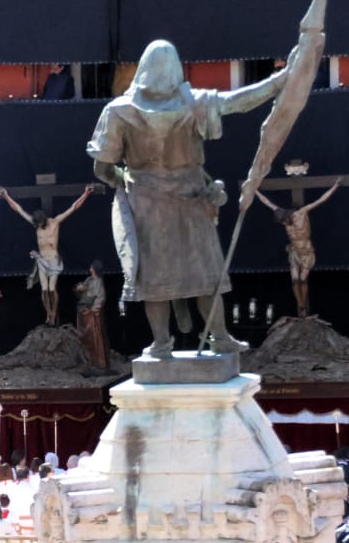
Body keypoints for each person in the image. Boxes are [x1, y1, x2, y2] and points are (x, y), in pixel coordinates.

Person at [87, 39, 288, 356]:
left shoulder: (119, 111)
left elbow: (102, 167)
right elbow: (239, 101)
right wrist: (279, 82)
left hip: (148, 200)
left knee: (157, 277)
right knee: (203, 272)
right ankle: (218, 336)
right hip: (191, 196)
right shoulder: (193, 104)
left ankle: (162, 343)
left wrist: (124, 178)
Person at [0, 185, 94, 327]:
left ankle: (54, 312)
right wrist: (6, 196)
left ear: (43, 220)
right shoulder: (36, 225)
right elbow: (19, 210)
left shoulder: (55, 222)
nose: (38, 226)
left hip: (53, 260)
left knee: (52, 289)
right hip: (42, 261)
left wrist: (85, 194)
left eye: (40, 224)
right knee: (44, 289)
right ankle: (49, 314)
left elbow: (73, 208)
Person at [255, 178, 341, 317]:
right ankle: (301, 305)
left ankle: (304, 305)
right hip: (294, 252)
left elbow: (320, 200)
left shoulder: (301, 213)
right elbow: (267, 202)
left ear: (287, 217)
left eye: (284, 222)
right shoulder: (281, 215)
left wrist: (335, 186)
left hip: (306, 253)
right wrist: (255, 190)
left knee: (302, 280)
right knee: (294, 281)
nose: (284, 225)